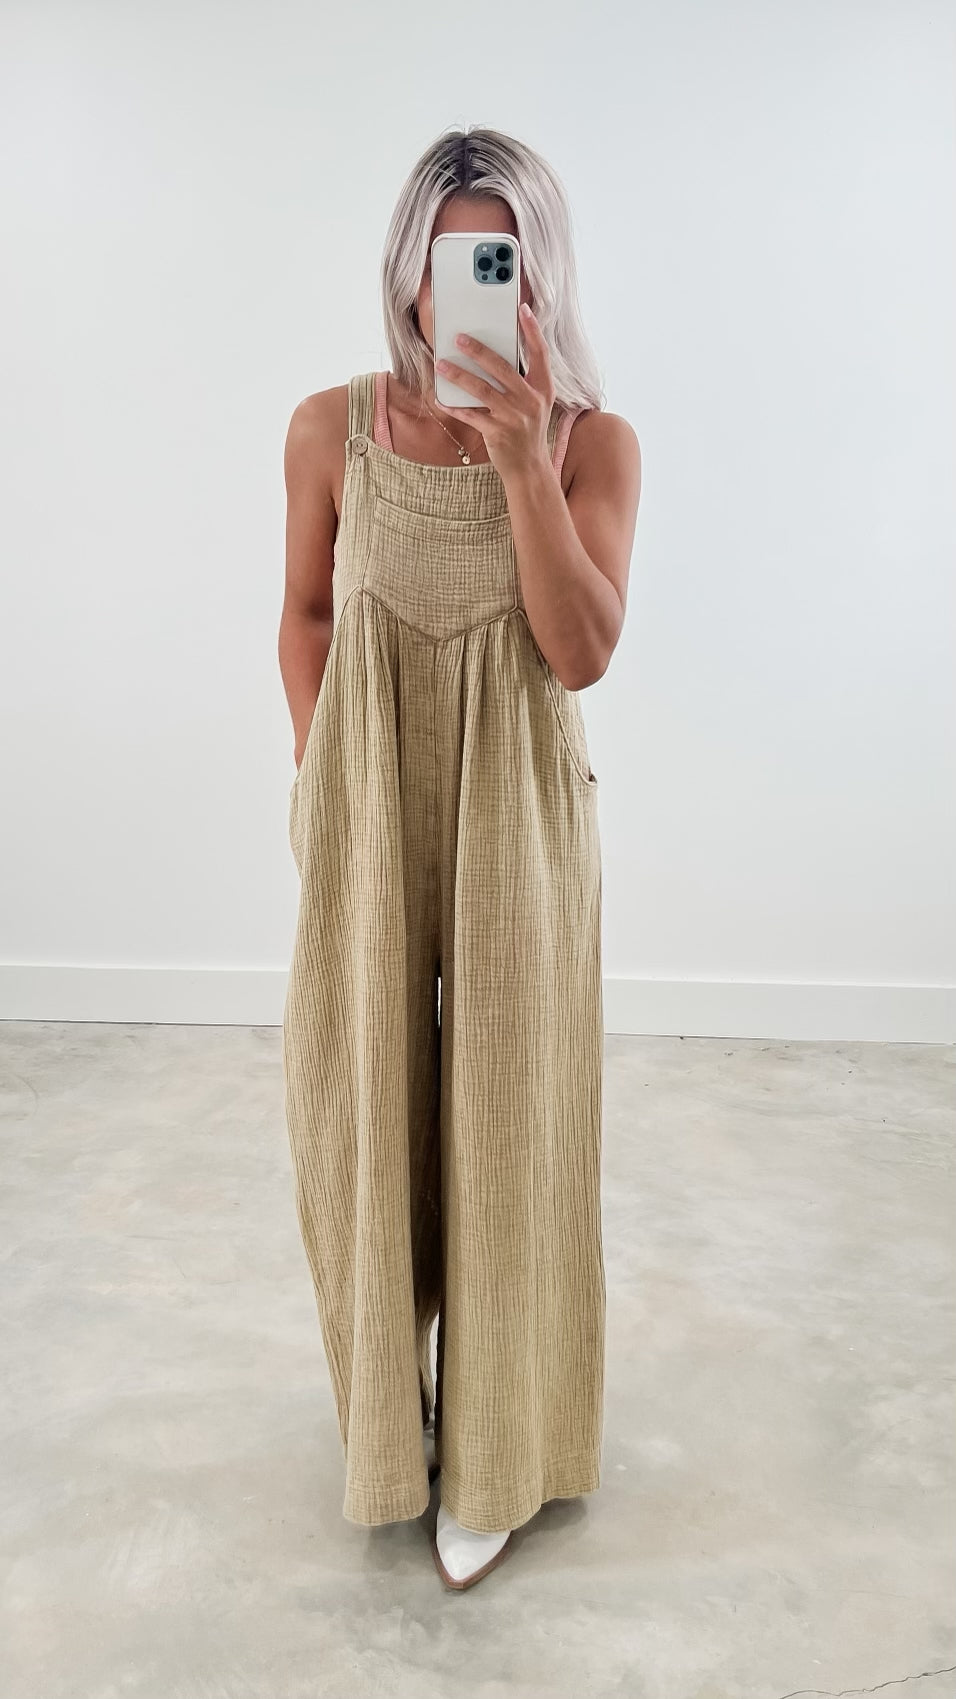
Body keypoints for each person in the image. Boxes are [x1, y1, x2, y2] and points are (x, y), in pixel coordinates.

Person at [278, 124, 641, 1592]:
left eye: (511, 258)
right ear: (411, 278)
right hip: (371, 791)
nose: (485, 287)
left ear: (543, 277)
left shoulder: (596, 445)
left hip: (519, 810)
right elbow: (306, 611)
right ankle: (394, 1421)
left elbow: (584, 650)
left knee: (509, 1114)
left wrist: (524, 464)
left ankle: (496, 1451)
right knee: (363, 1100)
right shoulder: (330, 427)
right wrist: (321, 780)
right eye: (459, 259)